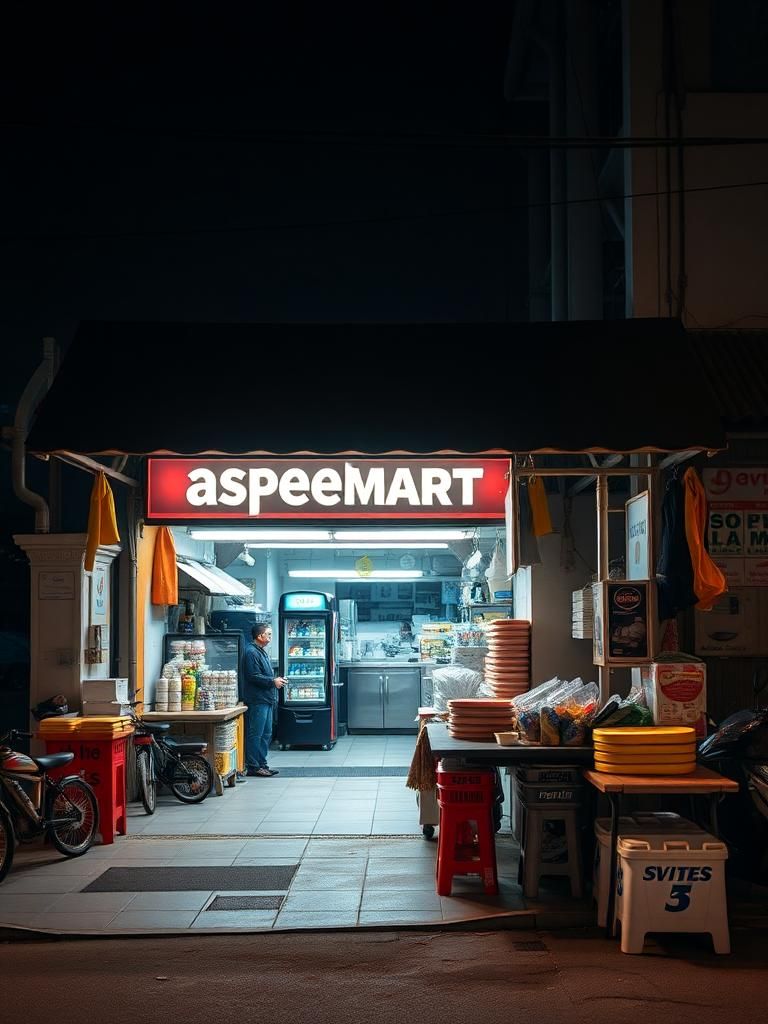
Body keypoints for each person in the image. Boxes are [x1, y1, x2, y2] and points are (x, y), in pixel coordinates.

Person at [240, 622, 286, 778]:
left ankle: (262, 764)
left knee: (266, 733)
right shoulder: (251, 652)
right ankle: (253, 765)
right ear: (260, 636)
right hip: (257, 700)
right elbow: (253, 676)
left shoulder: (261, 651)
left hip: (266, 699)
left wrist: (275, 680)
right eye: (269, 634)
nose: (271, 637)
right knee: (256, 734)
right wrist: (272, 682)